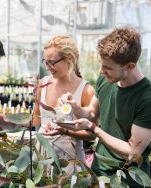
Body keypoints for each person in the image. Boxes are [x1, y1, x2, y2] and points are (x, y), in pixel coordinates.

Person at [58, 27, 151, 187]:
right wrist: (75, 107)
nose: (102, 71)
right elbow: (92, 112)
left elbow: (132, 152)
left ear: (129, 66)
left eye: (108, 67)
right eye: (101, 65)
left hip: (127, 178)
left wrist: (93, 128)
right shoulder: (106, 80)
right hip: (98, 170)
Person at [32, 35, 95, 172]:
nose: (48, 67)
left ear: (69, 59)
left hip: (69, 160)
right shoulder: (43, 84)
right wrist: (7, 120)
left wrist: (67, 131)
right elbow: (35, 119)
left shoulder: (86, 91)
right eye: (45, 61)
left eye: (52, 62)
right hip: (40, 156)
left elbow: (93, 133)